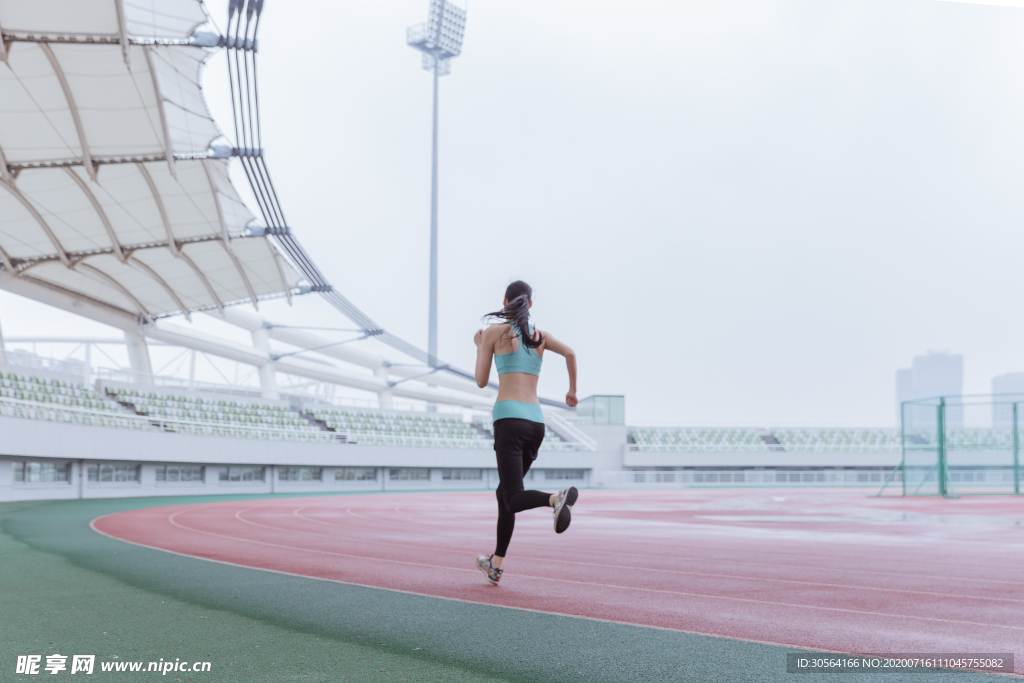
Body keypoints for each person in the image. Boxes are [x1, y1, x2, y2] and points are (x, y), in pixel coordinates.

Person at [473, 280, 578, 585]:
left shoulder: (493, 333)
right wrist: (572, 391)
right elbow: (571, 353)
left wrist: (480, 347)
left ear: (505, 301)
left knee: (514, 496)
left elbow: (481, 381)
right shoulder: (539, 336)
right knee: (503, 495)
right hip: (536, 425)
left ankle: (555, 499)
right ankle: (496, 564)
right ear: (529, 304)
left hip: (509, 421)